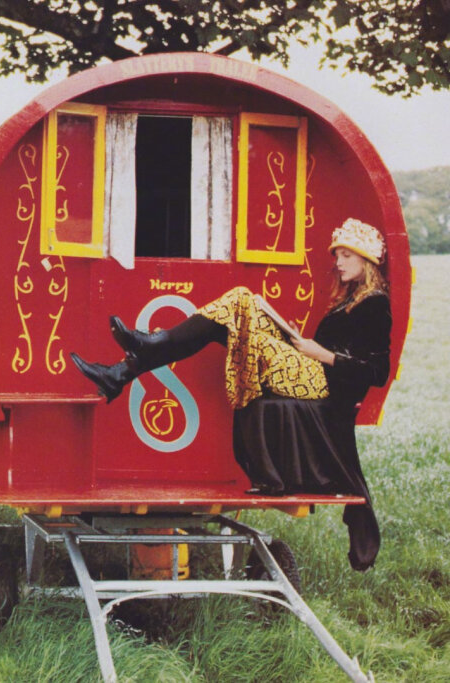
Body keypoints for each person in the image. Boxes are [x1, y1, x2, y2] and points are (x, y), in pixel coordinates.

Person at [70, 218, 392, 570]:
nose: (338, 262)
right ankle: (126, 367)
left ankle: (134, 360)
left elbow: (376, 373)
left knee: (237, 304)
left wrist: (320, 353)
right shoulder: (349, 299)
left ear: (367, 261)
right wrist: (298, 341)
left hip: (323, 383)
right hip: (310, 367)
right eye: (338, 256)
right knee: (239, 301)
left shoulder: (375, 304)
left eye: (346, 256)